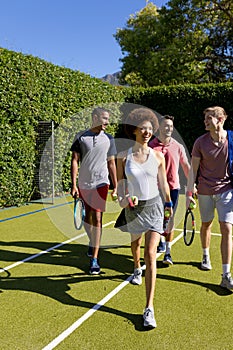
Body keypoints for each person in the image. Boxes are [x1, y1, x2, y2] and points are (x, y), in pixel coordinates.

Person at [116, 107, 173, 328]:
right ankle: (135, 268)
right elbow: (121, 187)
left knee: (151, 253)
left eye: (150, 129)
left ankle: (149, 308)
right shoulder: (124, 156)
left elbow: (164, 183)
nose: (147, 132)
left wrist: (168, 205)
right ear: (135, 130)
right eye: (143, 128)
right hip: (133, 209)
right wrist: (123, 199)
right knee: (135, 245)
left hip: (155, 208)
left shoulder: (159, 156)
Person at [186, 106, 233, 290]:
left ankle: (226, 274)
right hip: (205, 190)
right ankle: (205, 255)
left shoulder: (231, 139)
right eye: (205, 118)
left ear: (220, 120)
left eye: (209, 118)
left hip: (227, 190)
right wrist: (190, 193)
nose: (205, 121)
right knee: (206, 224)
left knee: (227, 229)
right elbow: (193, 170)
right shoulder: (200, 142)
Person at [70, 107, 117, 275]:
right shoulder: (81, 137)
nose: (107, 122)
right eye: (104, 118)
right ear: (95, 117)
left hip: (101, 184)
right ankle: (93, 242)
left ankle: (94, 259)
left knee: (97, 217)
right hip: (83, 184)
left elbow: (111, 163)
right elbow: (75, 161)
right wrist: (74, 185)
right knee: (86, 220)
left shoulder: (109, 139)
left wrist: (115, 185)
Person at [149, 115, 190, 265]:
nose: (169, 129)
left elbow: (186, 166)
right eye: (166, 126)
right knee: (156, 219)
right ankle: (159, 241)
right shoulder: (150, 146)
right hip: (154, 189)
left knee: (170, 219)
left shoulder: (177, 146)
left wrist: (193, 185)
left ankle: (168, 252)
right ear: (159, 127)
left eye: (171, 127)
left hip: (173, 188)